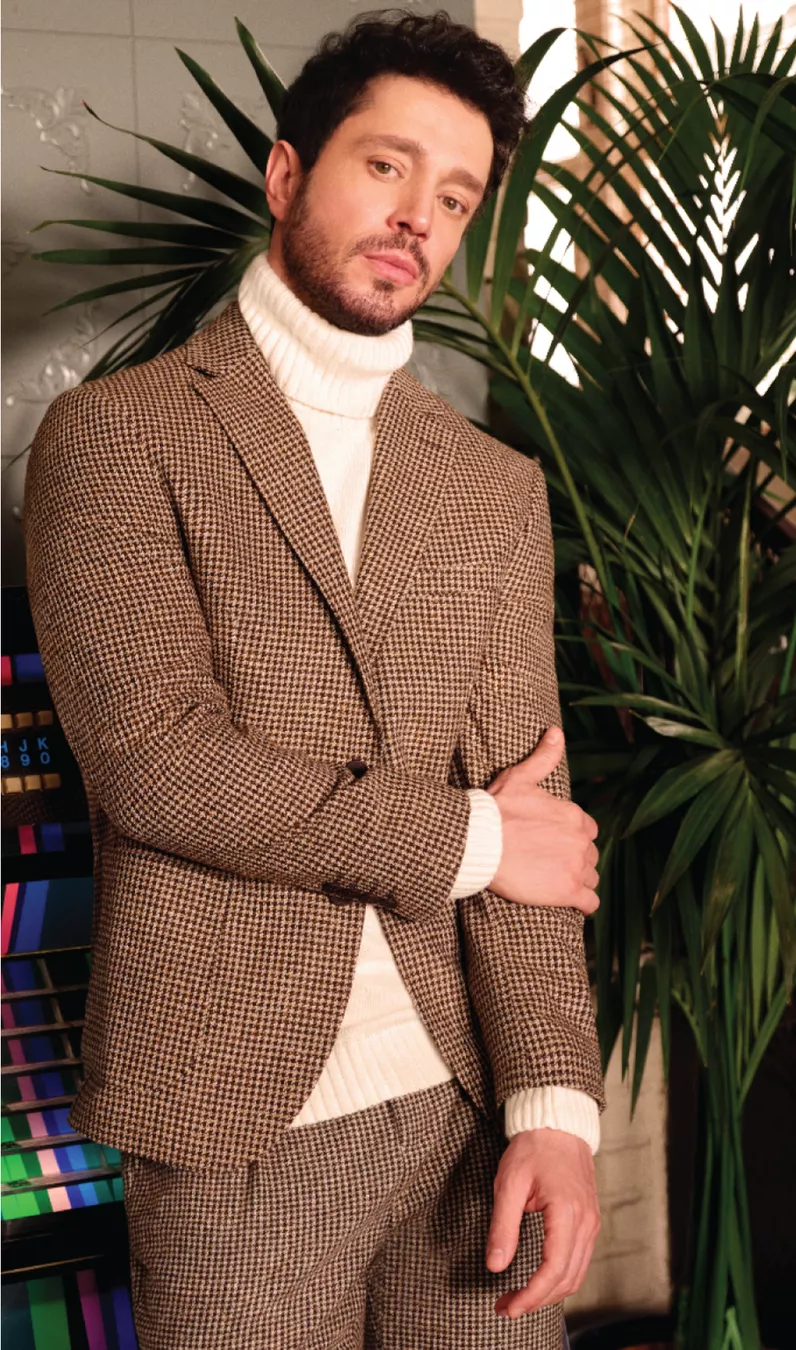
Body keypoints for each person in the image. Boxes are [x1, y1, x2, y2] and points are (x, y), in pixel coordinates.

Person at [23, 9, 607, 1347]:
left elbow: (530, 808)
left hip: (471, 1109)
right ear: (288, 175)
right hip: (230, 1118)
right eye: (387, 166)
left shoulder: (492, 488)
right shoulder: (117, 436)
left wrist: (558, 1108)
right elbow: (158, 761)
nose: (417, 218)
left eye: (454, 197)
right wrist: (470, 839)